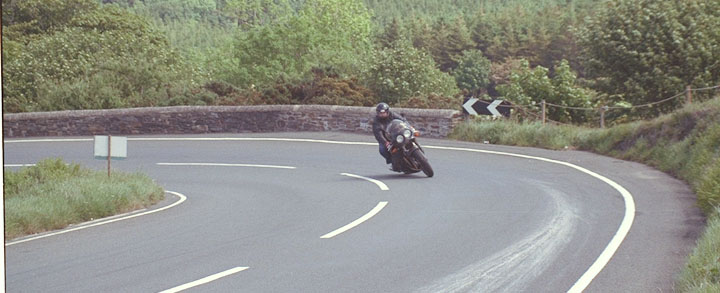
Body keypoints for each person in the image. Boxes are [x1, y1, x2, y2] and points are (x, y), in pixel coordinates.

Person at [372, 102, 407, 170]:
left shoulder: (392, 114)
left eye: (383, 113)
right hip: (386, 138)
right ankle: (392, 162)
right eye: (380, 113)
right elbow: (378, 134)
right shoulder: (376, 121)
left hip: (397, 133)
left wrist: (408, 126)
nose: (382, 115)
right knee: (382, 150)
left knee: (409, 137)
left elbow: (402, 120)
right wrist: (385, 142)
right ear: (377, 113)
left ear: (387, 112)